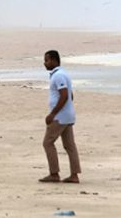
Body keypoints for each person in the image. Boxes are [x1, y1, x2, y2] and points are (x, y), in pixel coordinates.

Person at [39, 50, 81, 184]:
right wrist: (68, 109)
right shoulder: (63, 74)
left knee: (47, 142)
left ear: (54, 60)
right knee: (69, 145)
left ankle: (54, 173)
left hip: (60, 117)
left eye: (46, 60)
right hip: (67, 115)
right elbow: (71, 95)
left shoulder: (58, 76)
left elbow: (64, 95)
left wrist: (53, 114)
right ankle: (74, 175)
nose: (45, 63)